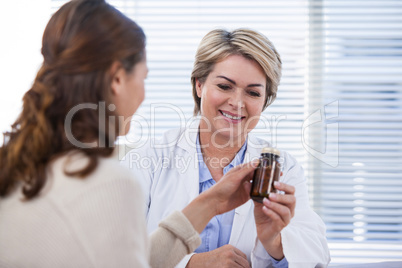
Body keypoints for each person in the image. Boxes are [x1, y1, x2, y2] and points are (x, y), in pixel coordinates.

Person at [0, 1, 259, 267]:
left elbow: (125, 259)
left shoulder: (18, 162)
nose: (144, 93)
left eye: (253, 92)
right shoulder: (107, 183)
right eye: (143, 78)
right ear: (117, 79)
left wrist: (211, 203)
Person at [122, 28, 331, 268]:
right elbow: (112, 255)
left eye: (253, 92)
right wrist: (191, 265)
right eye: (224, 86)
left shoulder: (284, 169)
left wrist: (274, 241)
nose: (237, 103)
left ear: (265, 101)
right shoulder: (148, 161)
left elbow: (318, 255)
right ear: (199, 85)